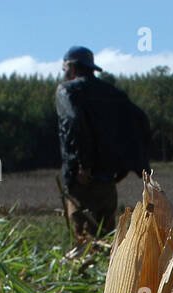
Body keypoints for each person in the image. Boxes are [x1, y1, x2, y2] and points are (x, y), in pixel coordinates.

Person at [55, 46, 152, 237]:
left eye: (64, 67)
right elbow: (140, 122)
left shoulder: (66, 91)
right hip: (108, 182)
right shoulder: (112, 93)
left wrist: (84, 165)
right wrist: (128, 166)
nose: (64, 72)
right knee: (106, 241)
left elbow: (74, 121)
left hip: (82, 181)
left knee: (84, 243)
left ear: (72, 67)